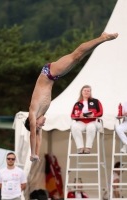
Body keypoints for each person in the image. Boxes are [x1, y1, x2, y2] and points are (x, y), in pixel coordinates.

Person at [24, 32, 118, 161]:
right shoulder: (40, 114)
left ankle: (104, 37)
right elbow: (38, 136)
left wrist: (32, 153)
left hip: (48, 73)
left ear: (32, 123)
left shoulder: (33, 112)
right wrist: (36, 154)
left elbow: (33, 135)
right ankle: (101, 39)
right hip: (54, 76)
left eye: (39, 125)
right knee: (79, 57)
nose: (42, 124)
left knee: (76, 55)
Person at [71, 85, 103, 154]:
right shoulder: (77, 103)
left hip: (93, 121)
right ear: (81, 92)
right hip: (81, 121)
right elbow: (72, 115)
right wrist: (79, 116)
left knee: (91, 127)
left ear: (90, 92)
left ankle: (88, 148)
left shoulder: (95, 101)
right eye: (85, 90)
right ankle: (81, 148)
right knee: (74, 127)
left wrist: (94, 115)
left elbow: (101, 112)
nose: (86, 92)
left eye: (88, 91)